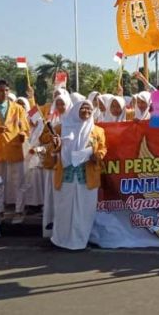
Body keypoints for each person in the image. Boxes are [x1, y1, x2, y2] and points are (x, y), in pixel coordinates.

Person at [48, 100, 107, 250]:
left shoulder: (97, 130)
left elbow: (103, 149)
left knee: (85, 211)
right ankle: (60, 240)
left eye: (89, 108)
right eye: (83, 108)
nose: (86, 111)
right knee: (64, 209)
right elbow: (53, 148)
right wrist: (55, 144)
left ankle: (80, 241)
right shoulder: (62, 128)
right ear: (75, 110)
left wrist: (97, 155)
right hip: (66, 175)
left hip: (87, 176)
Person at [0, 79, 29, 224]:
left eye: (7, 90)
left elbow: (25, 128)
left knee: (19, 182)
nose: (4, 93)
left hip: (14, 148)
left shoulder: (18, 108)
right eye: (1, 90)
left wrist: (23, 135)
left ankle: (19, 211)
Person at [39, 89, 73, 232]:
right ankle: (51, 228)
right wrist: (52, 135)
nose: (60, 107)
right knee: (53, 195)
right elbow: (42, 138)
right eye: (57, 104)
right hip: (53, 163)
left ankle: (65, 229)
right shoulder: (51, 120)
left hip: (67, 164)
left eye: (62, 104)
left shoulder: (74, 120)